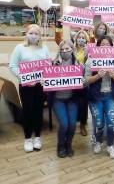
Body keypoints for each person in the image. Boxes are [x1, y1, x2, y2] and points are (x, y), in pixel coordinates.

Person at [9, 24, 51, 153]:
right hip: (25, 86)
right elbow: (13, 66)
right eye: (31, 33)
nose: (33, 36)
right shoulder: (19, 48)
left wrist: (45, 76)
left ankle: (37, 137)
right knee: (27, 112)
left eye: (36, 33)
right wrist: (24, 78)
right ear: (26, 34)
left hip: (39, 86)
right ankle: (27, 138)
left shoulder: (44, 48)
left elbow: (48, 66)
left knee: (38, 112)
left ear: (39, 36)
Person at [85, 35, 114, 159]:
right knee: (99, 123)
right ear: (98, 46)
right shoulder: (91, 60)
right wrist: (97, 76)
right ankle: (99, 141)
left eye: (108, 44)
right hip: (96, 97)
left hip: (111, 96)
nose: (105, 46)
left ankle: (110, 145)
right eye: (102, 44)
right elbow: (85, 81)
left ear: (112, 47)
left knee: (112, 123)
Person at [47, 40, 81, 158]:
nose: (64, 51)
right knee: (64, 124)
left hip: (72, 99)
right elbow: (47, 81)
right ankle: (60, 145)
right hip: (58, 99)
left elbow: (85, 83)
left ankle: (68, 144)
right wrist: (44, 81)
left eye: (67, 49)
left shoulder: (78, 65)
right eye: (62, 49)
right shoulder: (53, 64)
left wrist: (83, 81)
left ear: (72, 50)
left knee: (72, 124)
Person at [74, 30, 90, 136]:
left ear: (86, 39)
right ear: (76, 39)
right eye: (79, 37)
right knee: (75, 103)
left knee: (84, 104)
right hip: (74, 81)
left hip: (85, 81)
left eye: (83, 38)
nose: (81, 39)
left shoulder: (89, 50)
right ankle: (75, 123)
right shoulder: (72, 49)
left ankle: (83, 125)